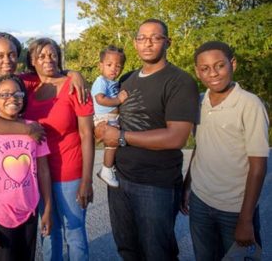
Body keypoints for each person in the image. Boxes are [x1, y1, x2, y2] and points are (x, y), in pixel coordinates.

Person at [0, 32, 85, 260]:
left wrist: (74, 74)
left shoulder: (21, 81)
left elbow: (50, 70)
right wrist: (28, 130)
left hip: (7, 171)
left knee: (20, 241)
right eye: (0, 55)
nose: (7, 60)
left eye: (12, 54)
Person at [96, 18, 199, 260]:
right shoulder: (126, 79)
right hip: (119, 179)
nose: (148, 43)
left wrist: (120, 137)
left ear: (168, 42)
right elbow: (108, 113)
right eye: (142, 38)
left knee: (157, 252)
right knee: (127, 249)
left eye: (155, 37)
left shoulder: (179, 81)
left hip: (156, 183)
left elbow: (177, 137)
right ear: (134, 43)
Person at [180, 41, 269, 261]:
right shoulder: (199, 102)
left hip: (235, 208)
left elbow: (258, 167)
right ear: (197, 71)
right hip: (201, 202)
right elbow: (201, 147)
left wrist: (246, 219)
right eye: (205, 68)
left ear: (233, 64)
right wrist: (187, 185)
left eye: (219, 66)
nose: (213, 73)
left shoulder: (250, 104)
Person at [24, 38, 94, 261]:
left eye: (53, 54)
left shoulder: (74, 87)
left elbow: (87, 134)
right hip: (38, 173)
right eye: (42, 56)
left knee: (74, 231)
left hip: (69, 172)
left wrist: (87, 180)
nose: (48, 60)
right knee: (48, 229)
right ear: (32, 61)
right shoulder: (30, 87)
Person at [0, 74, 52, 260]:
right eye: (4, 94)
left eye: (18, 94)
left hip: (30, 212)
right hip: (1, 216)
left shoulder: (34, 129)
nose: (13, 98)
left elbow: (44, 171)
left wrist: (47, 210)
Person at [91, 45, 128, 187]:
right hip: (103, 118)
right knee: (112, 144)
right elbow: (100, 99)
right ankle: (106, 170)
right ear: (101, 66)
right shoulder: (101, 81)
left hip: (110, 118)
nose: (114, 68)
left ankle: (109, 165)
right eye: (109, 65)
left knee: (114, 144)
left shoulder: (113, 82)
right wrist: (118, 100)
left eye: (118, 66)